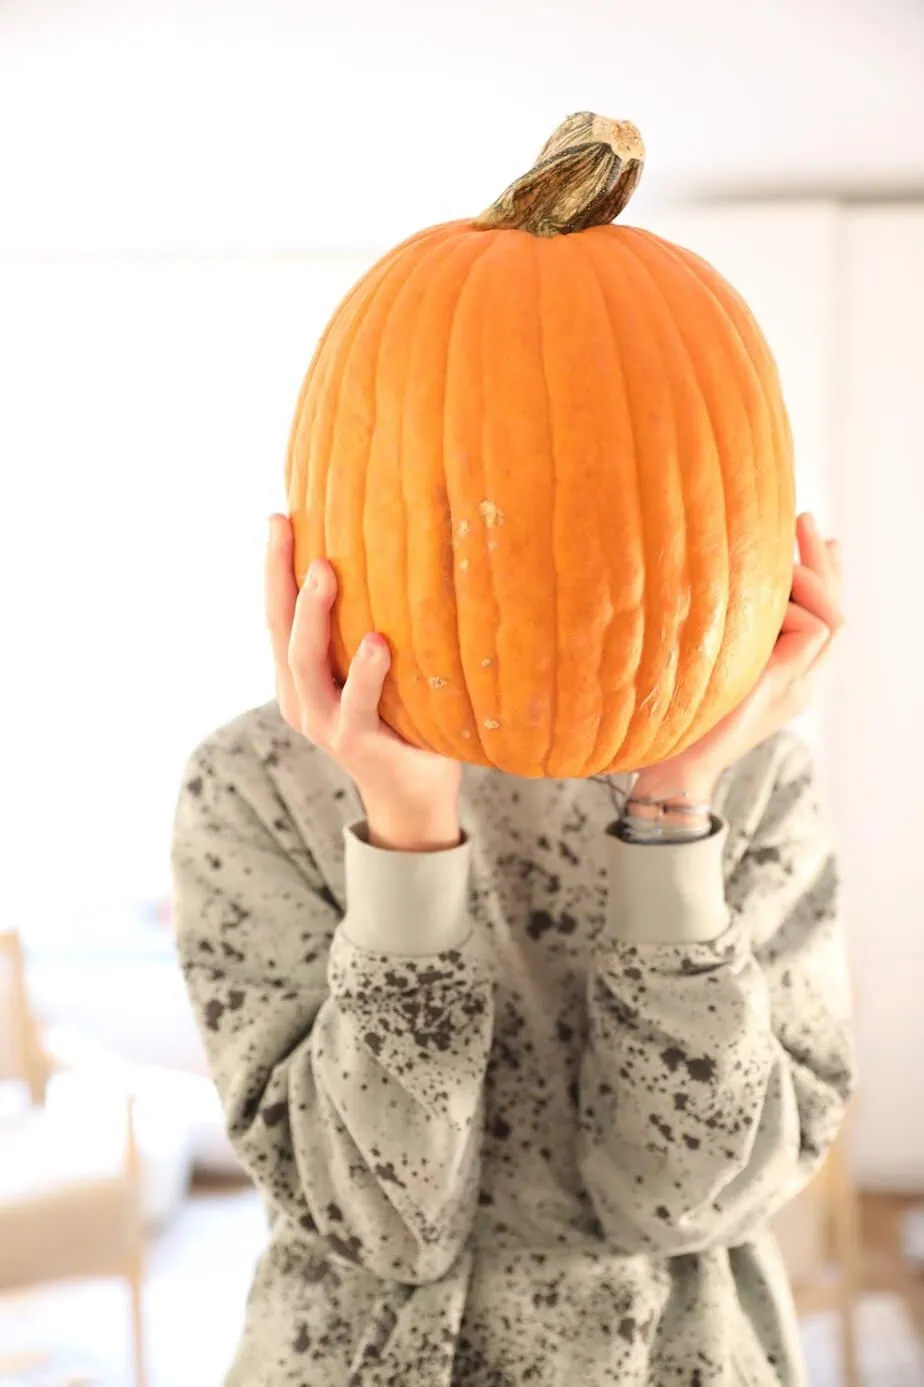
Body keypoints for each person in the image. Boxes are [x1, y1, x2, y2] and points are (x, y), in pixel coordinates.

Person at [171, 510, 854, 1387]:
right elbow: (384, 1219)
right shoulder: (254, 780)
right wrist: (406, 831)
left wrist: (677, 804)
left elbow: (686, 1196)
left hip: (678, 1355)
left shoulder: (753, 775)